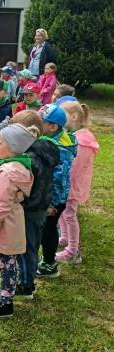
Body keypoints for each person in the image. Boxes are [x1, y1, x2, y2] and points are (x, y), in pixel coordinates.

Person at [0, 124, 36, 319]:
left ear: (13, 147)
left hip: (4, 224)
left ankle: (6, 302)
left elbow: (1, 204)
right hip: (8, 221)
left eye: (0, 142)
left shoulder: (8, 174)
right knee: (5, 260)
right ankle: (5, 290)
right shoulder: (15, 167)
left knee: (6, 262)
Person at [9, 111, 60, 298]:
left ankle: (26, 284)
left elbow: (24, 186)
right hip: (41, 207)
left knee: (25, 247)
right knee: (32, 245)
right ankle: (27, 279)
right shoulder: (45, 150)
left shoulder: (30, 158)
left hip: (30, 208)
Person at [36, 105, 77, 279]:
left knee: (48, 230)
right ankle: (47, 259)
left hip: (54, 198)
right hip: (50, 195)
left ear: (53, 127)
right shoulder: (54, 139)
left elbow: (59, 179)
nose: (38, 125)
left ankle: (49, 264)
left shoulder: (60, 149)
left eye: (42, 122)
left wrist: (52, 203)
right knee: (47, 228)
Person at [56, 101, 98, 265]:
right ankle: (65, 237)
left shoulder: (83, 141)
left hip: (72, 185)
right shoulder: (73, 135)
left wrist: (62, 182)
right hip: (65, 183)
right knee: (62, 212)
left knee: (69, 215)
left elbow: (74, 168)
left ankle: (73, 251)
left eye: (62, 114)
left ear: (73, 117)